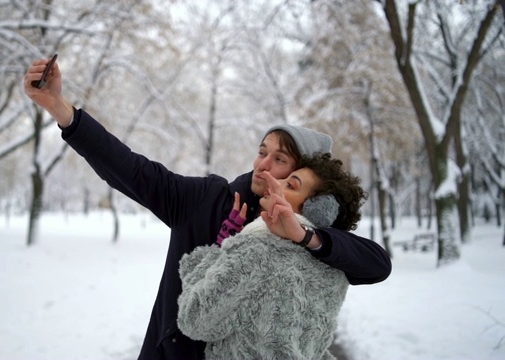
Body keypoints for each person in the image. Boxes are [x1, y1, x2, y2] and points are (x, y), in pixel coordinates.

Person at [23, 57, 391, 360]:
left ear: (300, 175)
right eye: (262, 151)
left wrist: (306, 237)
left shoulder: (310, 231)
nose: (263, 165)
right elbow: (132, 170)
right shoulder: (208, 199)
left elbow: (376, 263)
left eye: (279, 160)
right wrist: (61, 109)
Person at [177, 152, 366, 360]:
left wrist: (220, 249)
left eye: (290, 185)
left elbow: (193, 320)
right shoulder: (335, 271)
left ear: (317, 210)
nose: (276, 182)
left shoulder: (256, 251)